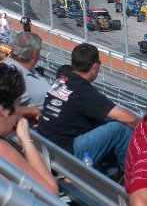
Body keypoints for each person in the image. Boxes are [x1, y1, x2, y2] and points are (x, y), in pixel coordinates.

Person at [38, 43, 138, 172]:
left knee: (107, 120)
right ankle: (130, 176)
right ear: (95, 66)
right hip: (65, 152)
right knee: (120, 129)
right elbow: (129, 118)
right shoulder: (83, 91)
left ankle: (109, 169)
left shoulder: (63, 77)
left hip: (45, 143)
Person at [0, 63, 59, 195]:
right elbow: (51, 193)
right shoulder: (2, 148)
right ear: (4, 110)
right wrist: (26, 140)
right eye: (17, 105)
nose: (18, 114)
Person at [4, 32, 50, 124]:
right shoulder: (8, 75)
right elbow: (4, 110)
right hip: (25, 133)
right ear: (34, 54)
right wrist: (33, 111)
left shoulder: (8, 66)